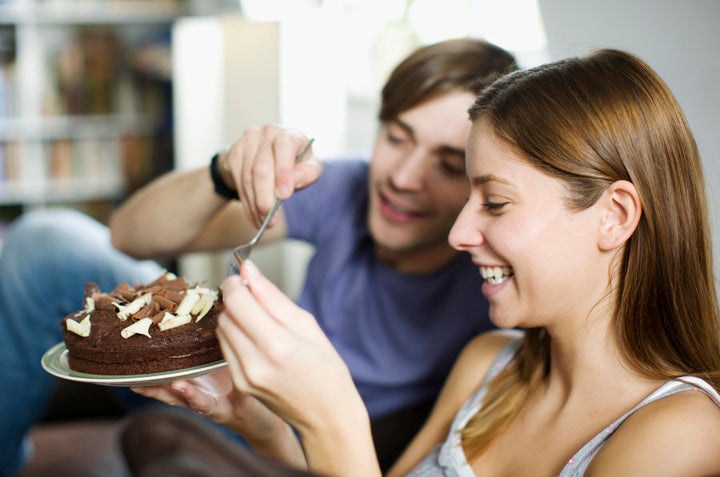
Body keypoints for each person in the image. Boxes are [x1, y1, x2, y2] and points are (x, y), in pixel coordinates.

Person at [123, 48, 720, 476]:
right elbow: (130, 231)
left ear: (614, 216)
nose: (460, 231)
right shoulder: (490, 365)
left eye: (494, 201)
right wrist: (256, 421)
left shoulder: (680, 434)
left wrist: (337, 417)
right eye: (397, 137)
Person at [0, 38, 517, 476]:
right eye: (396, 138)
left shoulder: (498, 285)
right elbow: (130, 235)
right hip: (227, 378)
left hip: (293, 441)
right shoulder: (350, 187)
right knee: (49, 243)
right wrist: (224, 173)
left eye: (449, 166)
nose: (403, 178)